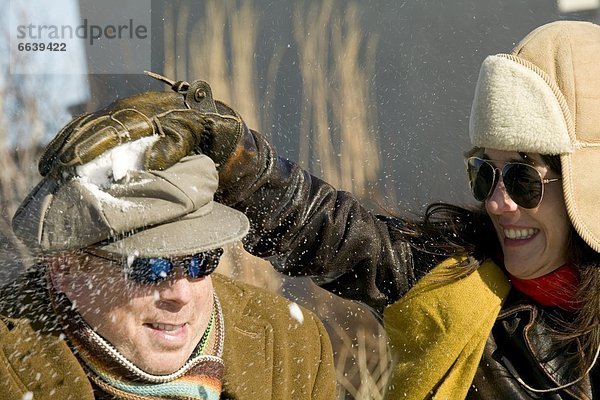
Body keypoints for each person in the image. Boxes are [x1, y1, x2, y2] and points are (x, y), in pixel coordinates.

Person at [45, 20, 600, 398]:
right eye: (486, 173)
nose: (499, 202)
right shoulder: (457, 283)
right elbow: (326, 227)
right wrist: (227, 150)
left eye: (525, 179)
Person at [1, 141, 336, 398]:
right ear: (66, 266)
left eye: (201, 260)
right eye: (150, 266)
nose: (181, 293)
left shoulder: (294, 345)